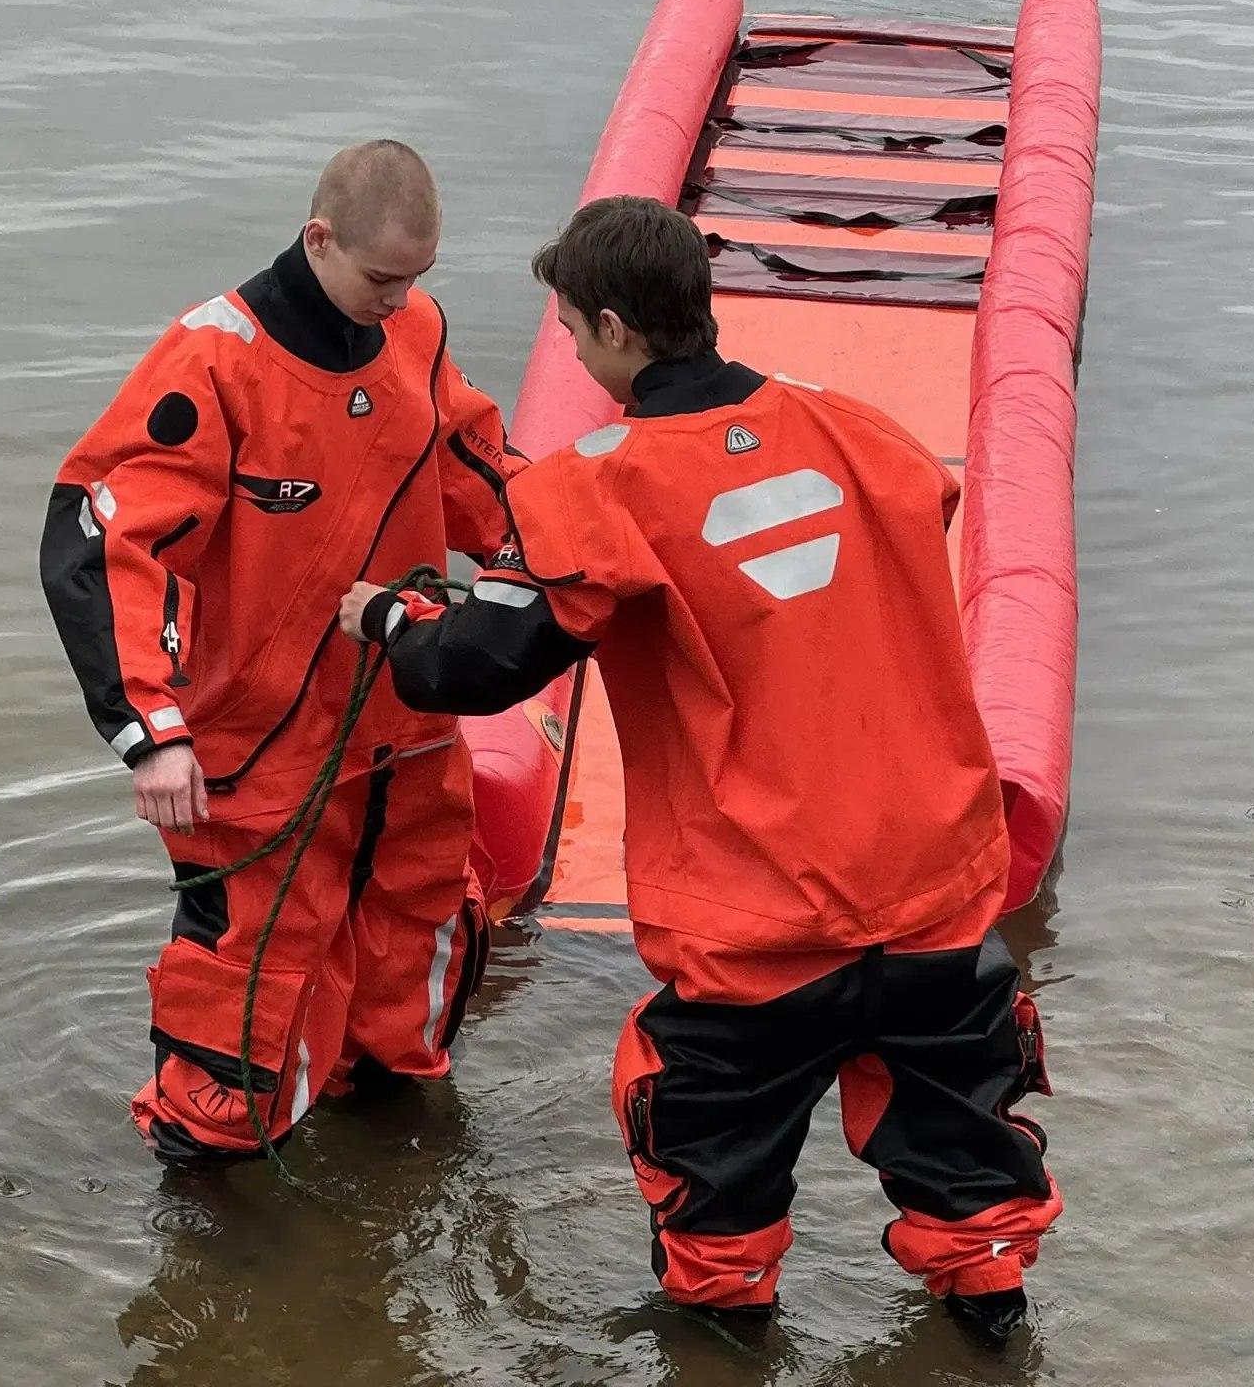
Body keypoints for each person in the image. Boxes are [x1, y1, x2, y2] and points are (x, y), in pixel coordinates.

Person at [337, 196, 1061, 1346]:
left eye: (573, 332)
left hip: (762, 922)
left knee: (711, 1179)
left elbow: (476, 667)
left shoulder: (596, 486)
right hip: (933, 888)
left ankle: (723, 1347)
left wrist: (388, 618)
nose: (574, 353)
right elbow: (911, 512)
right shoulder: (861, 430)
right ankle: (991, 1336)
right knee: (967, 1158)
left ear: (615, 327)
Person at [40, 140, 517, 1167]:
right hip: (259, 754)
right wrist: (150, 736)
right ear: (320, 240)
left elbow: (481, 471)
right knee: (246, 989)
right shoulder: (214, 364)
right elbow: (107, 542)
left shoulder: (416, 335)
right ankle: (217, 1226)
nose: (398, 302)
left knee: (415, 933)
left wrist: (576, 569)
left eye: (418, 280)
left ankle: (389, 1133)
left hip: (405, 721)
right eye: (382, 278)